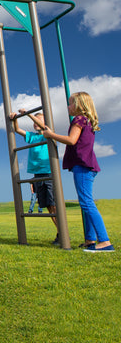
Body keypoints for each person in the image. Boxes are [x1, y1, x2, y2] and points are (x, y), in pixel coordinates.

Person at [42, 92, 114, 252]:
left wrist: (50, 135)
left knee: (87, 203)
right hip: (88, 165)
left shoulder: (79, 119)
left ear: (79, 105)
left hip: (83, 165)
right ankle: (90, 240)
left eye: (70, 103)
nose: (68, 106)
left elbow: (72, 140)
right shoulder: (87, 120)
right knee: (86, 203)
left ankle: (105, 241)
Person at [10, 110, 58, 243]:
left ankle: (62, 233)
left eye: (39, 120)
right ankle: (60, 232)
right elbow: (18, 130)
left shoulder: (48, 134)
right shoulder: (33, 136)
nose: (34, 123)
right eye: (34, 121)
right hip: (37, 173)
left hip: (48, 171)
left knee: (53, 204)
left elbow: (43, 127)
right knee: (48, 205)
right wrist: (15, 118)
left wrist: (28, 114)